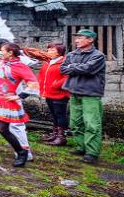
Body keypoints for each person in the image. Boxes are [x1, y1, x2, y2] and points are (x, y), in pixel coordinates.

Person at [60, 29, 106, 165]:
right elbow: (62, 69)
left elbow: (88, 69)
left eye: (80, 37)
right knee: (75, 123)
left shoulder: (98, 56)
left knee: (92, 124)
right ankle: (81, 147)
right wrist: (77, 67)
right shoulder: (72, 54)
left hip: (90, 94)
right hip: (74, 92)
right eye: (76, 38)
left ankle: (92, 153)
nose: (76, 40)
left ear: (90, 39)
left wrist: (72, 67)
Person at [23, 42, 69, 146]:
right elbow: (41, 75)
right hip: (48, 93)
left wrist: (56, 84)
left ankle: (61, 137)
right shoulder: (48, 61)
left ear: (59, 52)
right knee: (54, 115)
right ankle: (55, 134)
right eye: (48, 49)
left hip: (59, 94)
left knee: (60, 115)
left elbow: (67, 77)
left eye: (52, 50)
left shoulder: (64, 62)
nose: (49, 51)